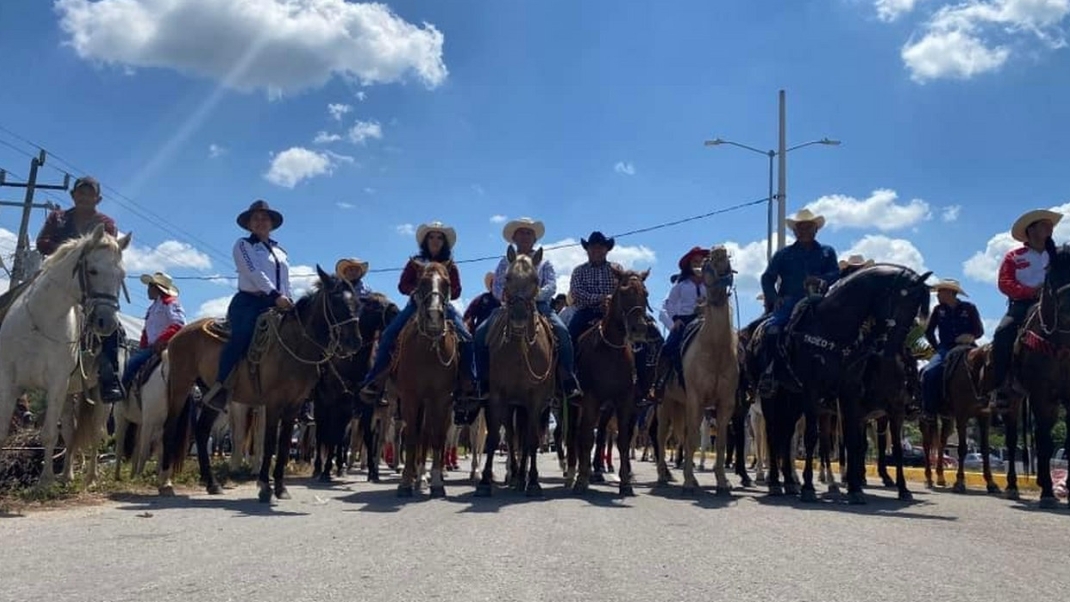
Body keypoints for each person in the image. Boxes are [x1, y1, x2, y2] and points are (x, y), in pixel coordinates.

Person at [359, 221, 480, 405]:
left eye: (439, 238)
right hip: (416, 305)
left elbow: (457, 291)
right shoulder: (415, 263)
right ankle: (375, 381)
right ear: (426, 241)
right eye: (431, 237)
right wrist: (416, 291)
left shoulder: (450, 266)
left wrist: (442, 292)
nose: (435, 240)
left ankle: (468, 383)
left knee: (467, 338)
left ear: (444, 242)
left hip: (443, 306)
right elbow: (402, 285)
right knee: (389, 334)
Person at [33, 176, 125, 402]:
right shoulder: (58, 218)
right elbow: (41, 242)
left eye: (89, 194)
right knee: (14, 301)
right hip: (54, 278)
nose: (84, 197)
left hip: (87, 283)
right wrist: (71, 252)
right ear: (73, 196)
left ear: (98, 198)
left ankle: (109, 376)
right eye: (80, 193)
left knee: (112, 325)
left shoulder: (107, 223)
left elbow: (107, 250)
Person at [474, 217, 582, 400]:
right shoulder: (505, 262)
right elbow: (498, 285)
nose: (525, 236)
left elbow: (551, 285)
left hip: (538, 306)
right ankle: (482, 381)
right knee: (480, 333)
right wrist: (506, 296)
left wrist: (534, 295)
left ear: (534, 238)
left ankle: (567, 380)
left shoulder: (543, 262)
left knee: (563, 332)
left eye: (528, 233)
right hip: (509, 306)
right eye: (521, 233)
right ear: (514, 238)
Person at [201, 200, 293, 412]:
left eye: (265, 218)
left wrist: (289, 300)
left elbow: (285, 280)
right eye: (256, 219)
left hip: (279, 302)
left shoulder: (281, 251)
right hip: (250, 302)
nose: (261, 222)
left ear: (271, 223)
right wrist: (276, 295)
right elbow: (253, 272)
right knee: (242, 335)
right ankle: (220, 385)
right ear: (249, 224)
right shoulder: (243, 245)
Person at [757, 208, 840, 397]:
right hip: (790, 301)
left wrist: (821, 280)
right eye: (799, 227)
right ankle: (769, 372)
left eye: (807, 227)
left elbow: (835, 273)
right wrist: (774, 299)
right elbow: (767, 278)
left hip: (820, 300)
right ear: (794, 231)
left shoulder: (827, 252)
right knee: (772, 330)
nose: (803, 231)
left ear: (815, 229)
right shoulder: (783, 255)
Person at [990, 208, 1061, 410]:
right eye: (1044, 225)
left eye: (1051, 226)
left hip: (1058, 305)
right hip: (1023, 305)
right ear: (1031, 230)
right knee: (1003, 333)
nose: (1050, 228)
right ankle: (1002, 386)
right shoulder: (1014, 257)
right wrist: (1030, 292)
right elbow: (1005, 283)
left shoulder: (1059, 256)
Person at [919, 279, 984, 419]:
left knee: (988, 368)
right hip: (946, 348)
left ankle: (990, 406)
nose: (937, 295)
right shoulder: (938, 310)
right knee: (929, 372)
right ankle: (929, 410)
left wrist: (971, 336)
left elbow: (979, 331)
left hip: (968, 347)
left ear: (951, 293)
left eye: (941, 291)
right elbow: (929, 332)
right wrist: (937, 347)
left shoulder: (969, 308)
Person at [651, 246, 709, 398]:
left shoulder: (709, 284)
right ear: (689, 265)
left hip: (706, 319)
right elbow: (670, 303)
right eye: (695, 262)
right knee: (669, 347)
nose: (699, 264)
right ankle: (659, 384)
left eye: (702, 261)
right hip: (685, 321)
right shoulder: (681, 285)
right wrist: (675, 320)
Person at [121, 272, 186, 393]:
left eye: (150, 286)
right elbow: (147, 331)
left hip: (165, 346)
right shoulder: (152, 308)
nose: (148, 290)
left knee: (132, 363)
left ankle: (122, 392)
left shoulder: (171, 303)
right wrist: (142, 346)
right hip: (151, 347)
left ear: (156, 288)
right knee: (134, 360)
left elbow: (179, 324)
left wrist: (161, 340)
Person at [567, 231, 622, 342]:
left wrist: (611, 300)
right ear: (587, 250)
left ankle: (647, 357)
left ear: (606, 250)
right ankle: (567, 359)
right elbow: (577, 293)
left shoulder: (616, 268)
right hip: (586, 312)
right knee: (569, 336)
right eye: (593, 247)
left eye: (600, 247)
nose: (597, 250)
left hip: (613, 311)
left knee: (642, 331)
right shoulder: (579, 271)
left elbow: (622, 290)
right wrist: (601, 299)